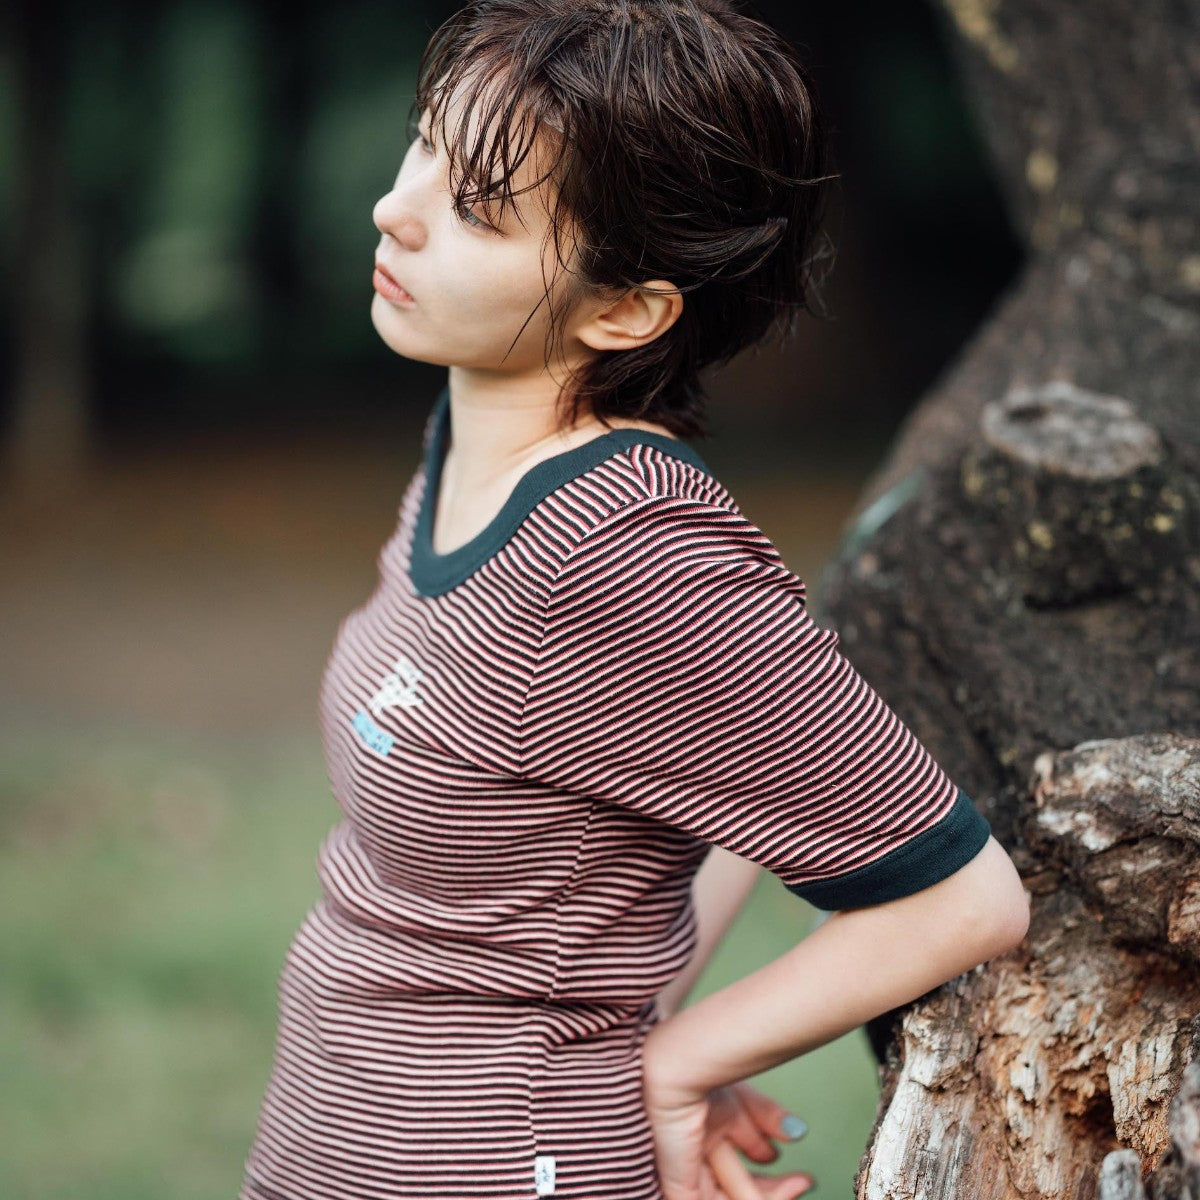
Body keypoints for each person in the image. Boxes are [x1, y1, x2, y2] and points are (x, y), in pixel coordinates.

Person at [238, 2, 1031, 1199]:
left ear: (623, 311)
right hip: (333, 1145)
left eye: (477, 208)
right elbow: (706, 784)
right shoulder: (474, 424)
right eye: (425, 146)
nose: (395, 208)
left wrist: (679, 1059)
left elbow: (960, 899)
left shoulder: (627, 549)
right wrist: (642, 995)